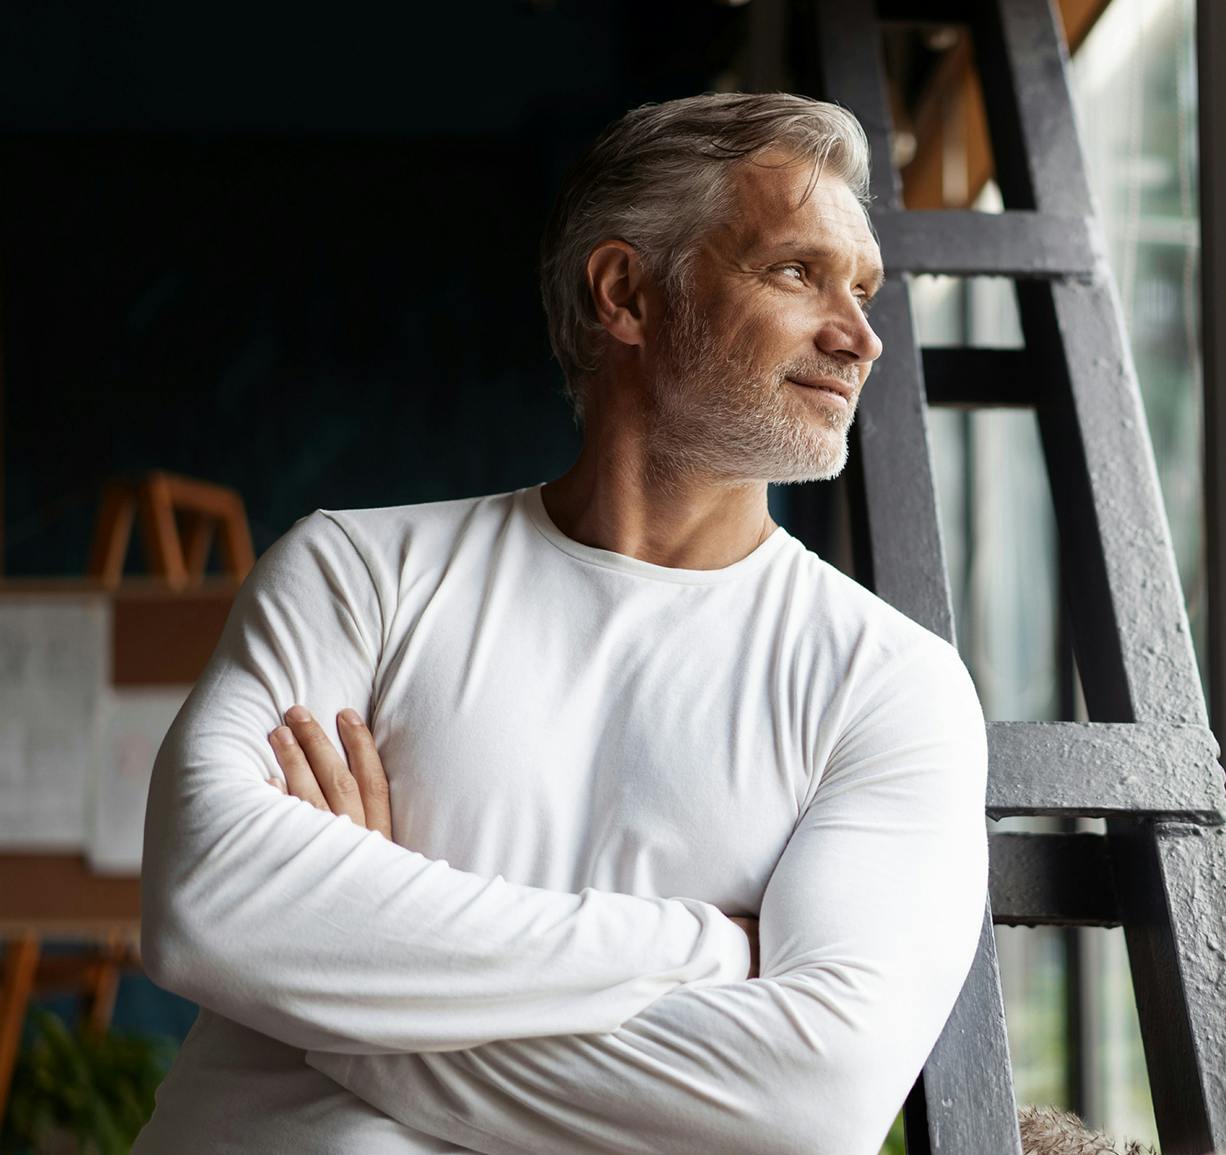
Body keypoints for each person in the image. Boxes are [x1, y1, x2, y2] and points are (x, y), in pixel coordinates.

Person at [133, 91, 988, 1155]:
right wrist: (699, 949)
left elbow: (814, 1100)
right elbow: (207, 907)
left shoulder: (890, 683)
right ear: (625, 293)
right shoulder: (357, 571)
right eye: (793, 272)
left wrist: (339, 996)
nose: (856, 336)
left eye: (862, 289)